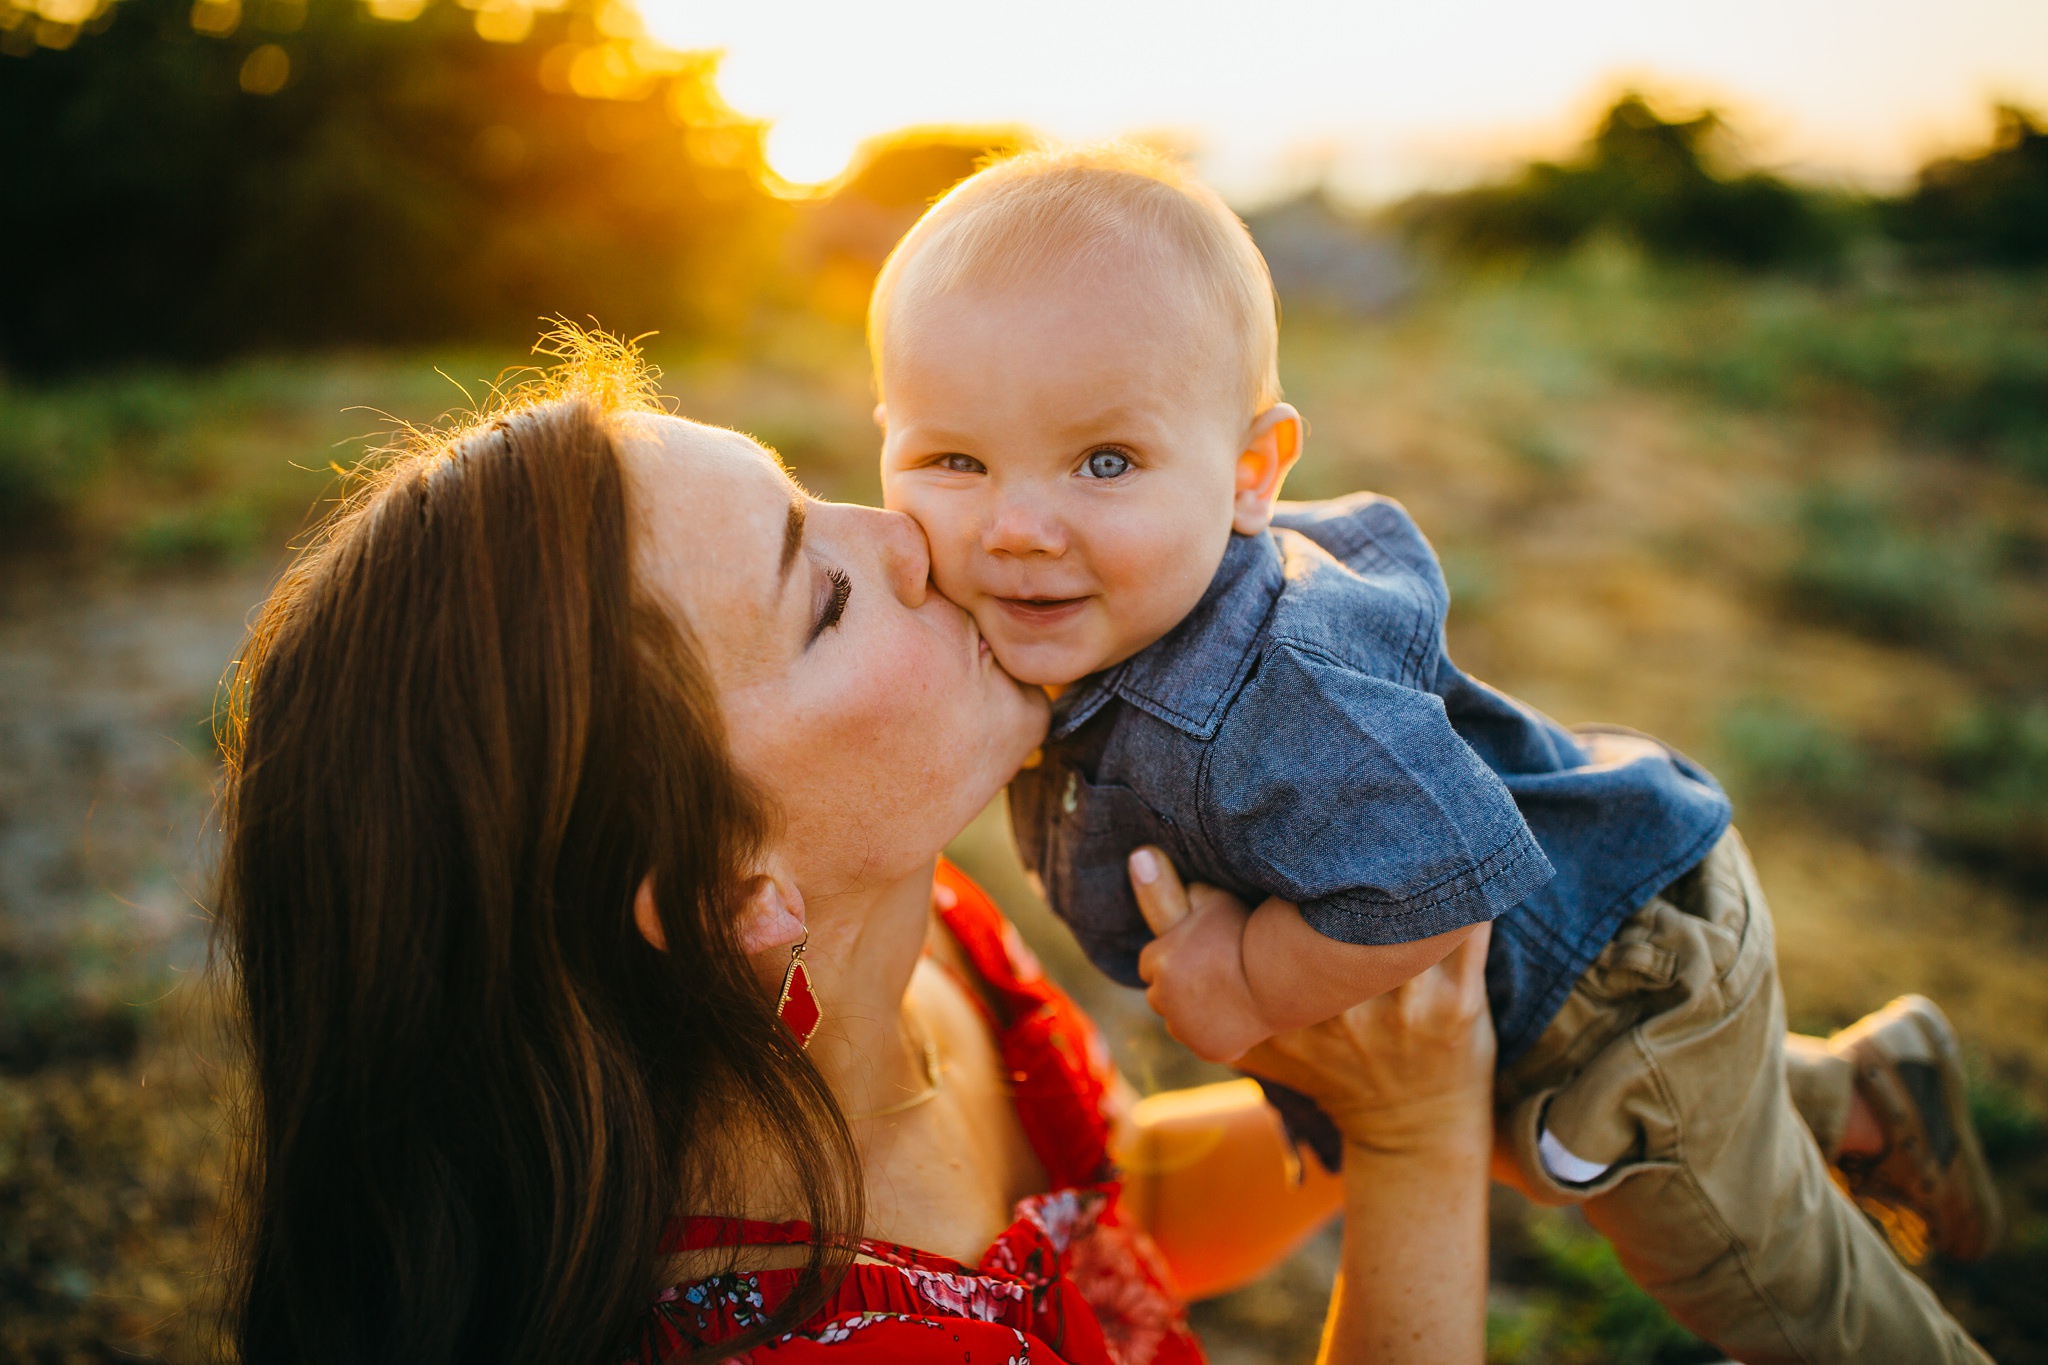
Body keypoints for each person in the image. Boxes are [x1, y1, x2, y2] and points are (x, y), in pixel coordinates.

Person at [871, 144, 2001, 1365]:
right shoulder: (1094, 605)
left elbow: (1439, 882)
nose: (1017, 527)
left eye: (1106, 462)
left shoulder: (1272, 694)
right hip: (1555, 974)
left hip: (1617, 992)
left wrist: (1253, 979)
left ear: (1249, 475)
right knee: (1555, 1128)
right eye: (953, 459)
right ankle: (1866, 1094)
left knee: (1764, 1285)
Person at [213, 333, 1496, 1365]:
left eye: (814, 492)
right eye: (823, 597)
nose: (902, 534)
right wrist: (1412, 1145)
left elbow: (1112, 1219)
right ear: (728, 890)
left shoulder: (899, 914)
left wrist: (1398, 1088)